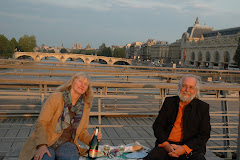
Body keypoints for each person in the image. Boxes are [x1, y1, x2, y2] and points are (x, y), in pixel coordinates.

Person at [19, 72, 102, 160]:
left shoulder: (85, 106)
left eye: (86, 84)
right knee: (45, 158)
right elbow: (42, 122)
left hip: (67, 143)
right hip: (47, 140)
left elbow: (82, 132)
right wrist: (42, 145)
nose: (82, 85)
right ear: (72, 81)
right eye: (80, 81)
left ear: (87, 89)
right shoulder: (56, 98)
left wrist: (90, 139)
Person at [144, 74, 211, 160]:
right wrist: (166, 145)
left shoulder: (202, 107)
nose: (187, 90)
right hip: (167, 145)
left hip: (191, 147)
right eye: (184, 86)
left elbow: (205, 134)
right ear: (179, 87)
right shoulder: (169, 102)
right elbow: (158, 126)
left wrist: (184, 149)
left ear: (196, 90)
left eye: (191, 87)